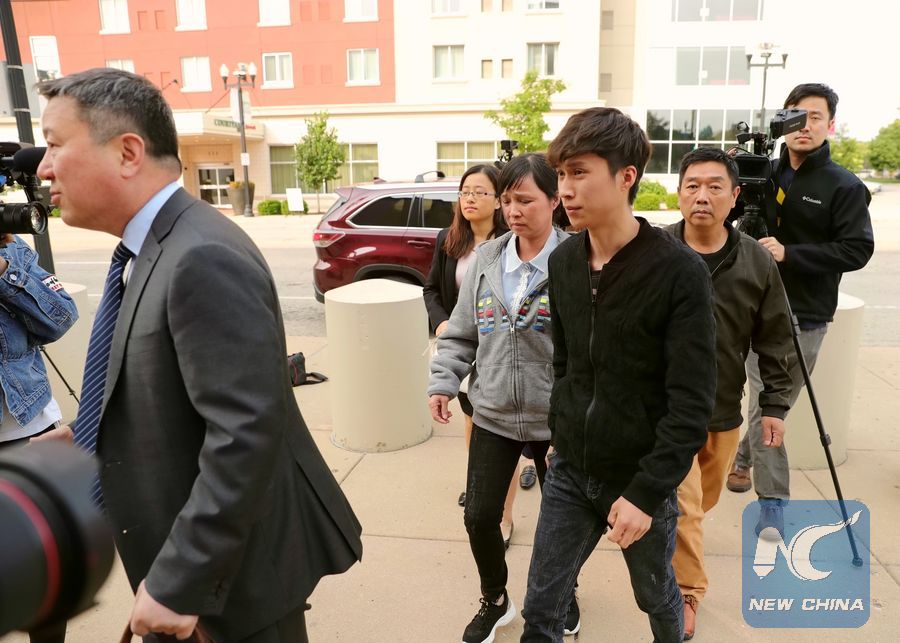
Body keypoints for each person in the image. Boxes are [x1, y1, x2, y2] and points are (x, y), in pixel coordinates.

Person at [34, 68, 362, 642]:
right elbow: (170, 389)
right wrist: (86, 439)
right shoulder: (152, 247)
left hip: (230, 590)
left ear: (128, 153)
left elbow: (245, 432)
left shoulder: (200, 254)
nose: (43, 167)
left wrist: (180, 581)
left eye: (56, 144)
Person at [521, 107, 716, 643]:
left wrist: (646, 493)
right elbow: (565, 363)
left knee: (654, 595)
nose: (565, 189)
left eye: (580, 172)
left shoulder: (679, 271)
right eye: (562, 174)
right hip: (570, 469)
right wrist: (560, 434)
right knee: (540, 609)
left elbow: (691, 402)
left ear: (626, 176)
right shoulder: (563, 262)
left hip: (639, 477)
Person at [428, 153, 569, 643]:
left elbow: (591, 352)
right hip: (492, 411)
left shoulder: (575, 260)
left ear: (554, 200)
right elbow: (462, 333)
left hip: (556, 420)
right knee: (479, 516)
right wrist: (444, 382)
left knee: (561, 524)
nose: (513, 210)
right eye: (507, 200)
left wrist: (576, 417)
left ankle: (562, 593)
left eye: (525, 200)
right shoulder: (488, 259)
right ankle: (496, 598)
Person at [727, 83, 875, 536]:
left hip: (804, 313)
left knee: (772, 404)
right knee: (766, 401)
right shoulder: (760, 173)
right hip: (750, 304)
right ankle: (769, 494)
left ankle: (751, 470)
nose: (804, 125)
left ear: (831, 125)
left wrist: (791, 254)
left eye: (814, 117)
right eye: (795, 116)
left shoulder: (845, 186)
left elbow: (857, 249)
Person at [666, 147, 794, 639]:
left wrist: (775, 404)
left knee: (702, 501)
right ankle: (687, 593)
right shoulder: (653, 251)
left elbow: (775, 336)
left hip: (722, 409)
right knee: (685, 507)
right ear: (679, 193)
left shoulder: (756, 260)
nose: (702, 196)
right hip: (663, 410)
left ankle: (664, 535)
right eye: (693, 185)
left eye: (715, 186)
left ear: (735, 195)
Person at [0, 233, 78, 643]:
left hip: (29, 427)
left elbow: (62, 317)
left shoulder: (11, 250)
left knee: (46, 567)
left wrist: (4, 273)